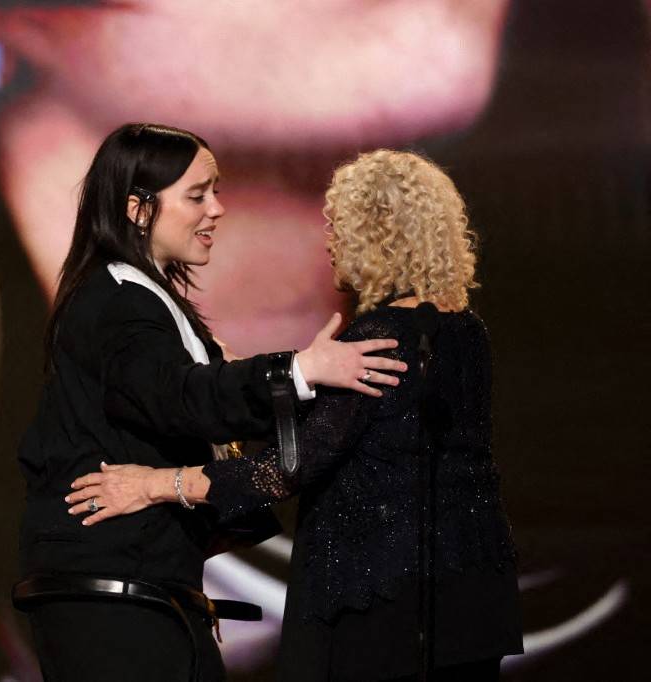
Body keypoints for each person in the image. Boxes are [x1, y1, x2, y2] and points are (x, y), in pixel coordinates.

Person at [67, 150, 523, 681]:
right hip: (469, 600)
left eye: (341, 225)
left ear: (377, 234)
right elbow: (369, 433)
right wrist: (251, 371)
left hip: (382, 609)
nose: (330, 240)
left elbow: (288, 467)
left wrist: (157, 485)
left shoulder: (376, 341)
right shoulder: (466, 333)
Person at [15, 123, 408, 682]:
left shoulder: (143, 296)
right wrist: (299, 369)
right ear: (139, 209)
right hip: (112, 596)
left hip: (145, 590)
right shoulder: (118, 299)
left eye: (216, 191)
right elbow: (182, 398)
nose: (218, 209)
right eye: (197, 195)